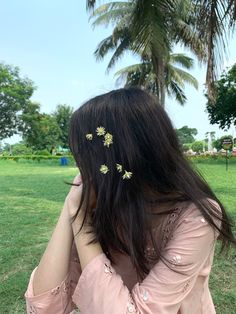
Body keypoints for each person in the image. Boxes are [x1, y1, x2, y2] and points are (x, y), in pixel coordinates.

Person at [25, 88, 236, 314]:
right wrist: (72, 208)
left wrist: (82, 221)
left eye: (86, 159)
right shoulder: (102, 206)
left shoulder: (196, 216)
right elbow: (43, 308)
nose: (83, 170)